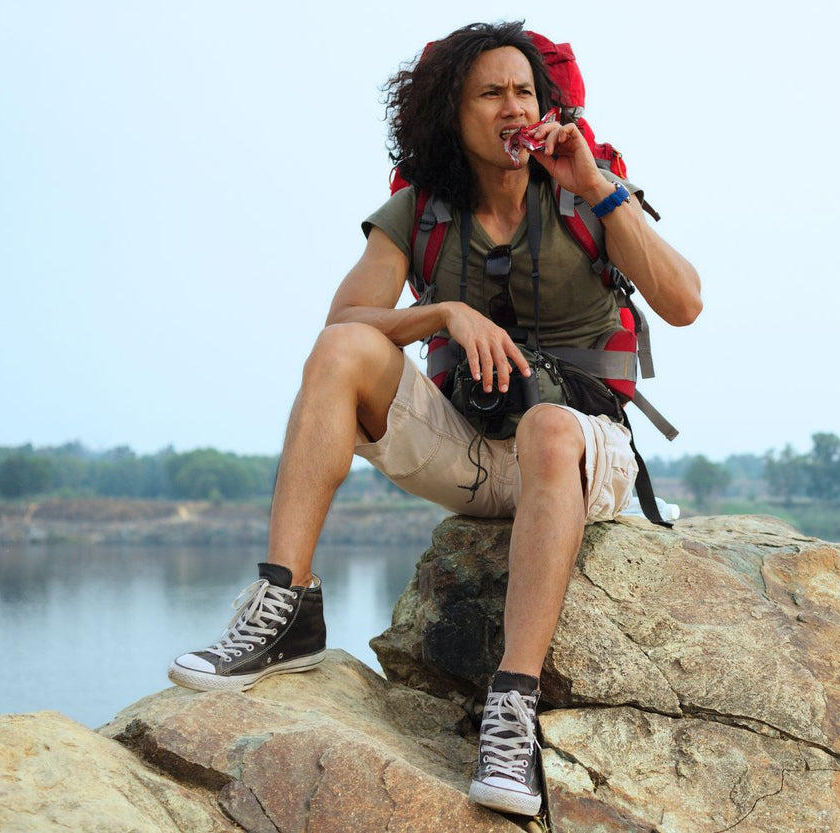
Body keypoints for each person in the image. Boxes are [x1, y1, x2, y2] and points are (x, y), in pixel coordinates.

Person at [166, 21, 700, 818]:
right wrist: (443, 312)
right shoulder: (421, 209)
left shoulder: (587, 187)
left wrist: (595, 185)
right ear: (453, 113)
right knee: (344, 349)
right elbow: (340, 319)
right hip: (470, 452)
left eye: (525, 91)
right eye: (491, 93)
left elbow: (685, 302)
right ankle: (287, 606)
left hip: (577, 449)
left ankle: (511, 707)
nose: (513, 108)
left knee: (549, 427)